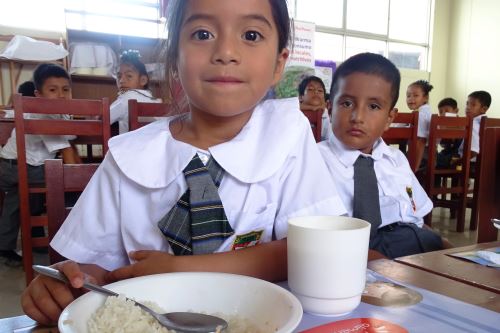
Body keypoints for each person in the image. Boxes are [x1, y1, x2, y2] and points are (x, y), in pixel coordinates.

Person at [22, 0, 346, 324]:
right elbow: (94, 272)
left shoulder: (287, 135)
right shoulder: (128, 156)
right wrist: (66, 284)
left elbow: (312, 248)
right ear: (174, 57)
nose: (226, 52)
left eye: (251, 34)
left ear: (279, 63)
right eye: (203, 33)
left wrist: (182, 268)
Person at [318, 52, 443, 260]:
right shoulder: (314, 162)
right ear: (330, 108)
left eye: (374, 107)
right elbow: (321, 242)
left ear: (389, 118)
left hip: (415, 250)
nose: (358, 117)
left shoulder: (396, 160)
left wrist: (448, 252)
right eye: (347, 103)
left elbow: (418, 220)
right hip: (358, 257)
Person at [0, 64, 81, 267]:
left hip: (17, 165)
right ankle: (71, 236)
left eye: (66, 89)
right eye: (52, 90)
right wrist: (77, 182)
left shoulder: (55, 113)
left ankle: (13, 244)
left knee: (19, 200)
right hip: (18, 167)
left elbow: (68, 135)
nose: (61, 95)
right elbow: (66, 149)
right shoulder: (42, 114)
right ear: (38, 94)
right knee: (64, 184)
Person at [110, 49, 161, 134]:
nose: (121, 81)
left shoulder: (126, 98)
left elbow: (105, 117)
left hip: (129, 146)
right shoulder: (156, 101)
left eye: (129, 76)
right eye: (119, 76)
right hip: (154, 146)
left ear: (143, 80)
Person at [406, 79, 434, 171]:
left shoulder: (421, 115)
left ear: (425, 98)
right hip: (427, 155)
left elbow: (420, 142)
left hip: (423, 157)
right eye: (408, 95)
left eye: (415, 95)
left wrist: (414, 168)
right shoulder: (421, 112)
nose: (411, 98)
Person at [459, 90, 491, 160]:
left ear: (484, 109)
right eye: (467, 104)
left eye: (473, 105)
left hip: (468, 164)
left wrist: (457, 162)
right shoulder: (489, 123)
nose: (468, 107)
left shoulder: (473, 124)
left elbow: (473, 151)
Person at [298, 75, 332, 141]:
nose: (316, 92)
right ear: (300, 97)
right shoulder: (294, 112)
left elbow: (331, 140)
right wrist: (312, 108)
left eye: (320, 90)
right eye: (310, 89)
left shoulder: (327, 116)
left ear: (324, 99)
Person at [436, 98, 461, 169]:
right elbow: (443, 145)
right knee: (433, 156)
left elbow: (455, 143)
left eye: (447, 111)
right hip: (447, 153)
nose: (443, 114)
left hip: (456, 156)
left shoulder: (461, 123)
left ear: (456, 111)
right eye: (440, 112)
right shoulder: (442, 124)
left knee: (432, 160)